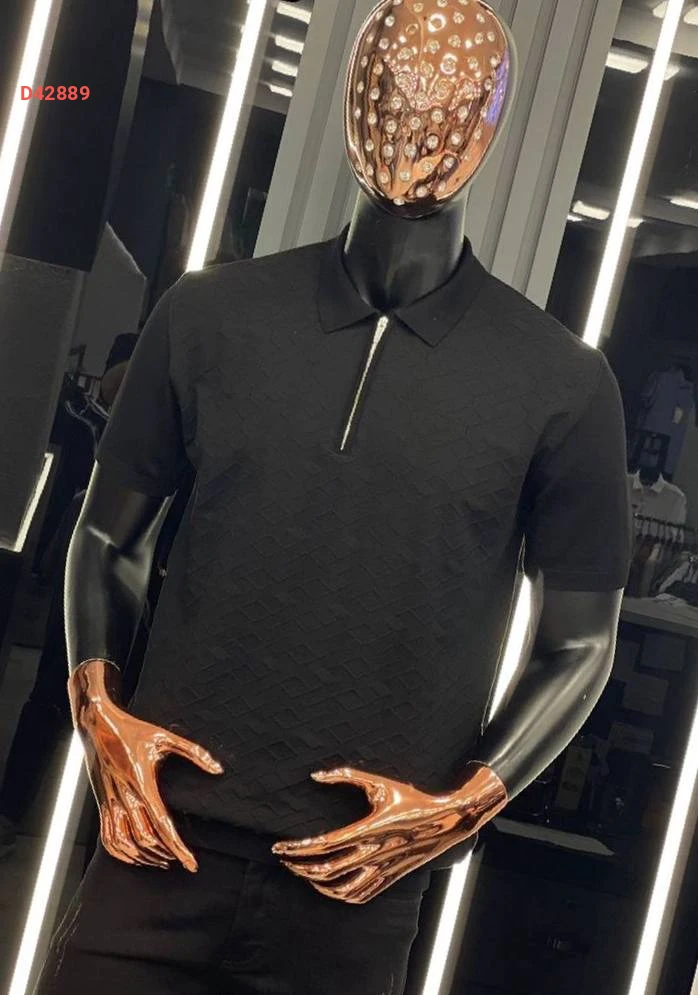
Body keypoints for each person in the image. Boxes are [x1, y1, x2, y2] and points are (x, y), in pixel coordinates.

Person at [36, 4, 631, 994]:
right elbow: (106, 535)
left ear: (489, 119)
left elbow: (579, 642)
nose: (417, 113)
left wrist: (462, 805)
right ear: (355, 95)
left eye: (449, 94)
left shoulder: (562, 386)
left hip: (355, 889)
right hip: (158, 843)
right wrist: (98, 707)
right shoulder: (209, 316)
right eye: (393, 85)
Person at [0, 335, 138, 857]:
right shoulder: (95, 418)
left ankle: (98, 832)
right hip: (84, 548)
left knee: (112, 704)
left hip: (132, 557)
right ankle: (12, 809)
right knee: (53, 693)